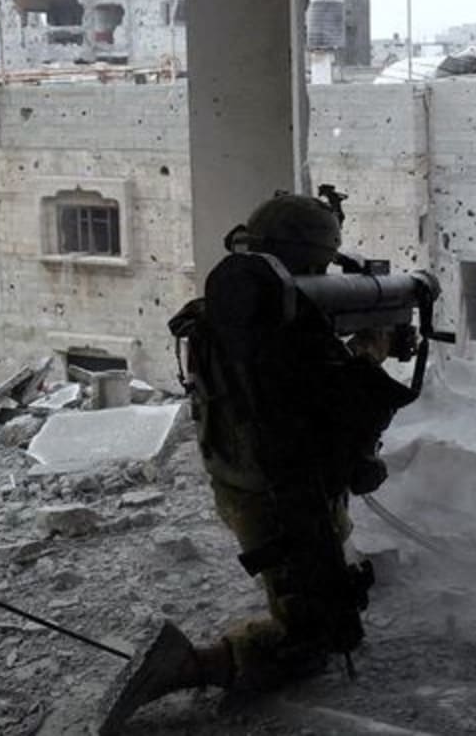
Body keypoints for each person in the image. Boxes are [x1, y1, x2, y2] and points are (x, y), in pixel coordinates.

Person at [98, 192, 417, 734]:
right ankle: (188, 665)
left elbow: (287, 391)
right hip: (280, 489)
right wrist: (371, 351)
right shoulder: (278, 328)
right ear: (313, 258)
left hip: (244, 476)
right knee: (314, 633)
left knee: (314, 581)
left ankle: (295, 612)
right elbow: (334, 402)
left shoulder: (234, 315)